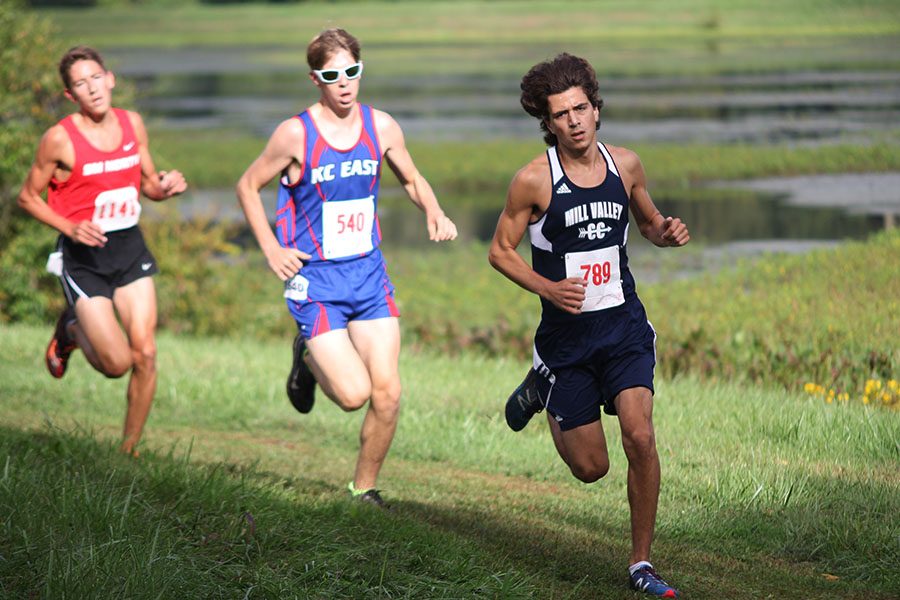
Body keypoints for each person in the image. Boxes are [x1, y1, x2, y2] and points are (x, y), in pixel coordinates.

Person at [488, 53, 689, 598]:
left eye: (581, 108)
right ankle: (541, 383)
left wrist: (663, 233)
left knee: (640, 436)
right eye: (562, 114)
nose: (574, 120)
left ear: (596, 111)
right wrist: (548, 288)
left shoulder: (626, 165)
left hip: (623, 329)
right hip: (567, 344)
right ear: (548, 124)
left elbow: (646, 222)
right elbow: (501, 252)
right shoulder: (534, 180)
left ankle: (641, 565)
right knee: (591, 467)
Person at [236, 28, 457, 508]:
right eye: (332, 75)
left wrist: (434, 211)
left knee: (388, 392)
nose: (344, 83)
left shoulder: (382, 127)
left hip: (369, 276)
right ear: (316, 79)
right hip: (315, 283)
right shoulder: (296, 133)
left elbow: (413, 179)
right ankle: (308, 357)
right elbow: (247, 185)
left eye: (351, 72)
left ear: (361, 70)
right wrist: (271, 248)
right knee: (355, 394)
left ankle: (363, 489)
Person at [17, 46, 187, 456]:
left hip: (128, 248)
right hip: (84, 259)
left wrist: (163, 187)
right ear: (71, 94)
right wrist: (69, 226)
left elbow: (147, 183)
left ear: (110, 79)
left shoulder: (132, 124)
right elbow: (27, 197)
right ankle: (70, 329)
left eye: (96, 78)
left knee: (145, 351)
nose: (92, 89)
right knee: (116, 364)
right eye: (80, 83)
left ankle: (128, 451)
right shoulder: (60, 138)